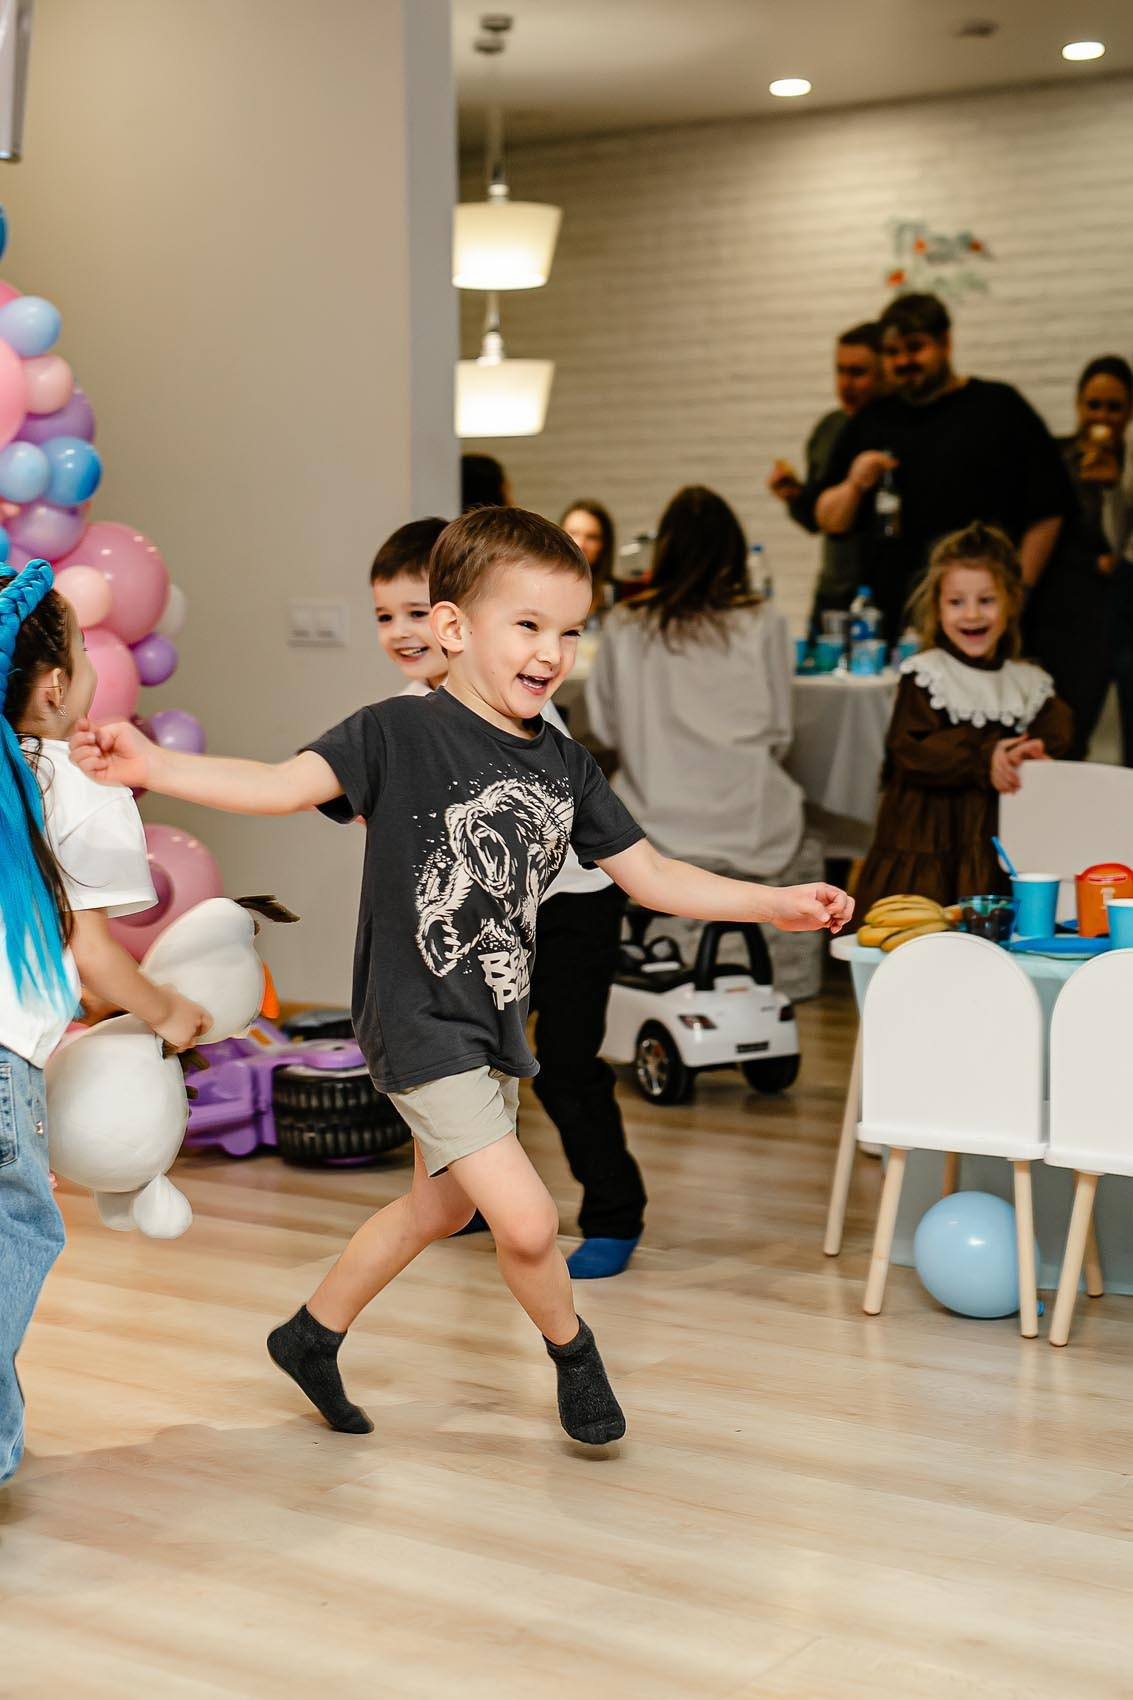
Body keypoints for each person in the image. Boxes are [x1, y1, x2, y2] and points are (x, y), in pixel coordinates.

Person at [73, 508, 853, 1448]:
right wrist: (153, 762)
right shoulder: (396, 733)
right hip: (414, 1018)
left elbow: (653, 876)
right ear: (454, 630)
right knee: (523, 1222)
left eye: (569, 631)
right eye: (527, 625)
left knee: (438, 1208)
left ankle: (310, 1336)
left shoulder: (564, 765)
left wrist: (773, 904)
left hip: (490, 1017)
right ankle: (576, 1362)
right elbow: (280, 787)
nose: (551, 651)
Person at [370, 516, 648, 1280]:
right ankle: (458, 1199)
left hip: (572, 905)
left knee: (562, 1064)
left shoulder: (518, 699)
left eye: (417, 611)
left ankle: (614, 1213)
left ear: (457, 618)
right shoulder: (408, 712)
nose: (405, 631)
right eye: (386, 616)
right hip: (502, 914)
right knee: (461, 1054)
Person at [0, 563, 209, 1486]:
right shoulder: (77, 787)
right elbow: (95, 962)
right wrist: (174, 1014)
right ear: (55, 687)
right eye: (82, 656)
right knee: (18, 1226)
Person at [584, 485, 823, 1000]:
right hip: (750, 818)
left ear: (664, 549)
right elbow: (781, 732)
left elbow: (603, 730)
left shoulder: (627, 625)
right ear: (734, 552)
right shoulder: (762, 621)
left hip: (652, 822)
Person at [811, 292, 1072, 644]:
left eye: (915, 347)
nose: (904, 361)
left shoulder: (998, 408)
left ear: (945, 343)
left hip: (979, 615)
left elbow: (1049, 509)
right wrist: (855, 485)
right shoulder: (872, 421)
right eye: (892, 353)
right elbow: (829, 520)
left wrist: (1021, 591)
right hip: (894, 621)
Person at [852, 522, 1073, 920]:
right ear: (937, 607)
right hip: (928, 834)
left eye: (986, 600)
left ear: (1011, 602)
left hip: (997, 838)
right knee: (924, 928)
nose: (971, 614)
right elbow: (911, 748)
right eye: (957, 602)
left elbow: (1056, 731)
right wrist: (982, 756)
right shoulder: (926, 675)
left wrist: (1029, 751)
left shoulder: (1028, 682)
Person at [1025, 356, 1133, 761]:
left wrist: (1114, 489)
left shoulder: (1129, 467)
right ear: (1078, 405)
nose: (1101, 416)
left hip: (1120, 612)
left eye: (1114, 407)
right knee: (1063, 729)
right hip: (1066, 617)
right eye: (1093, 405)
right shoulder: (1057, 459)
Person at [767, 322, 883, 623]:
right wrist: (795, 497)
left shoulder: (902, 427)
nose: (845, 384)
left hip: (886, 588)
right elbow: (815, 522)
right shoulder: (829, 427)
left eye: (857, 373)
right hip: (834, 587)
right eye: (840, 371)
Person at [560, 500, 616, 614]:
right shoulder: (541, 586)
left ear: (603, 545)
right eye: (573, 533)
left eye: (591, 537)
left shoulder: (616, 593)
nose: (580, 544)